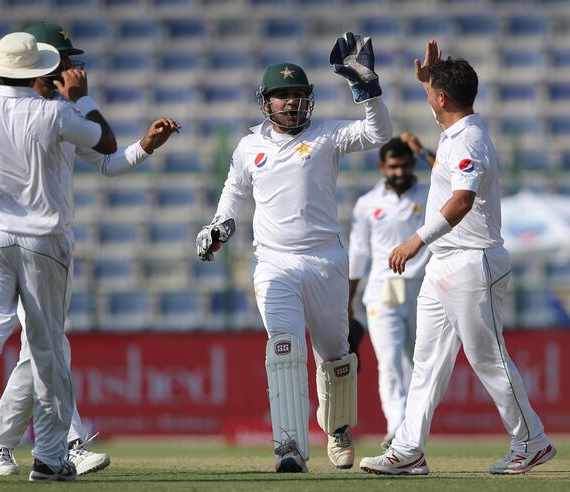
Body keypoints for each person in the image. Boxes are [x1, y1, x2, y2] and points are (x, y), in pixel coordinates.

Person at [0, 21, 179, 478]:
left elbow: (109, 162)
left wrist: (147, 145)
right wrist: (82, 99)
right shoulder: (57, 114)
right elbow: (105, 140)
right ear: (46, 66)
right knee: (48, 351)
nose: (72, 67)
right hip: (41, 243)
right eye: (65, 61)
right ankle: (51, 456)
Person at [196, 32, 392, 473]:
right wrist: (219, 224)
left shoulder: (328, 134)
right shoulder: (250, 146)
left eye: (298, 96)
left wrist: (366, 87)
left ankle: (337, 428)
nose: (290, 104)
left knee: (335, 353)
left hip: (325, 259)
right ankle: (289, 448)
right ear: (265, 102)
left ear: (309, 100)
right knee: (282, 346)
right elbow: (232, 194)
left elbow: (380, 132)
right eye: (282, 97)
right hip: (274, 262)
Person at [359, 40, 555, 476]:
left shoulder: (470, 139)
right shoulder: (454, 133)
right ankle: (408, 449)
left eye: (431, 92)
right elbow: (447, 129)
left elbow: (462, 200)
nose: (428, 97)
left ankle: (532, 440)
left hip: (471, 260)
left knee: (488, 357)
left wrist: (416, 241)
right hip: (445, 264)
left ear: (443, 99)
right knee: (426, 361)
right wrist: (431, 79)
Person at [348, 136, 430, 450]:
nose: (399, 172)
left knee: (417, 360)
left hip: (423, 288)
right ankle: (396, 425)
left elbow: (457, 184)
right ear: (382, 166)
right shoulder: (368, 203)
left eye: (405, 165)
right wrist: (349, 299)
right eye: (393, 166)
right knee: (390, 359)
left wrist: (423, 152)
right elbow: (358, 253)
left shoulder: (431, 193)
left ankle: (413, 427)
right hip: (384, 289)